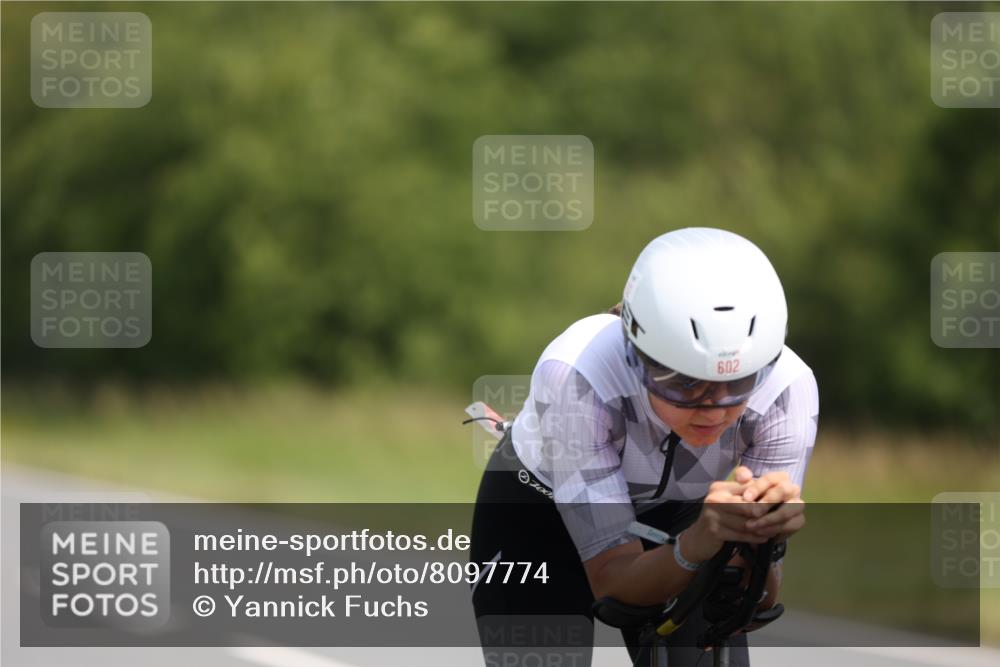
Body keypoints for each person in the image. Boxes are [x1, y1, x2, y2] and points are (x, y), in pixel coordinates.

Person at [469, 227, 819, 666]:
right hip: (538, 514)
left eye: (737, 384)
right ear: (636, 355)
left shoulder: (788, 390)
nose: (711, 409)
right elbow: (614, 586)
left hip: (683, 512)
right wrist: (696, 546)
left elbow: (757, 601)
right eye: (683, 382)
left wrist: (760, 544)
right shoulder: (578, 377)